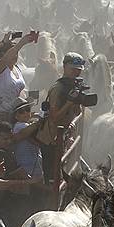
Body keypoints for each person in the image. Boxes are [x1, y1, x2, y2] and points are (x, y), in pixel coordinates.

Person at [35, 53, 85, 183]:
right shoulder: (58, 88)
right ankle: (48, 202)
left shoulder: (73, 86)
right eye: (73, 69)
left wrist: (77, 101)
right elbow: (54, 117)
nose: (76, 72)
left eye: (78, 70)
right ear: (64, 67)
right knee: (52, 178)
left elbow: (77, 111)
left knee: (62, 172)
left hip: (62, 136)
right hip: (51, 138)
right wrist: (69, 102)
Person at [0, 31, 38, 125]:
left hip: (15, 115)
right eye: (12, 53)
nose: (15, 56)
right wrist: (21, 43)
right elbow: (6, 58)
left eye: (17, 53)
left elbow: (19, 91)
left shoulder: (17, 69)